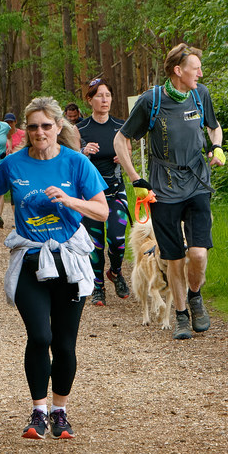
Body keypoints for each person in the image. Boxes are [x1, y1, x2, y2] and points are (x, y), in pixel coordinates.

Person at [0, 97, 108, 440]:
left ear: (58, 127)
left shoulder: (76, 163)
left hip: (69, 261)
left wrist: (69, 200)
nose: (40, 132)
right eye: (34, 126)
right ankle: (38, 411)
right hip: (31, 260)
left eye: (46, 126)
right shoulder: (13, 163)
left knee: (64, 344)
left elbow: (102, 210)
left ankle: (60, 411)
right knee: (40, 336)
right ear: (26, 129)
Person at [114, 43, 224, 340]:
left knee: (198, 253)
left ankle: (195, 296)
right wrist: (136, 179)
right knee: (174, 257)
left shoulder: (200, 95)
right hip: (163, 189)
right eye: (195, 68)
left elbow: (214, 127)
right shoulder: (151, 101)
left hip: (197, 182)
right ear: (178, 70)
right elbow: (120, 140)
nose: (200, 73)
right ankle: (181, 316)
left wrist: (216, 146)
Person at [76, 77, 131, 307]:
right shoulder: (80, 129)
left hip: (116, 191)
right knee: (95, 244)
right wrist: (83, 151)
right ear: (90, 100)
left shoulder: (121, 126)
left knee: (117, 239)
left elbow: (128, 151)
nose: (104, 100)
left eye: (107, 95)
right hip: (90, 195)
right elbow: (72, 159)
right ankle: (98, 287)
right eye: (99, 95)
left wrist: (122, 157)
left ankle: (115, 272)